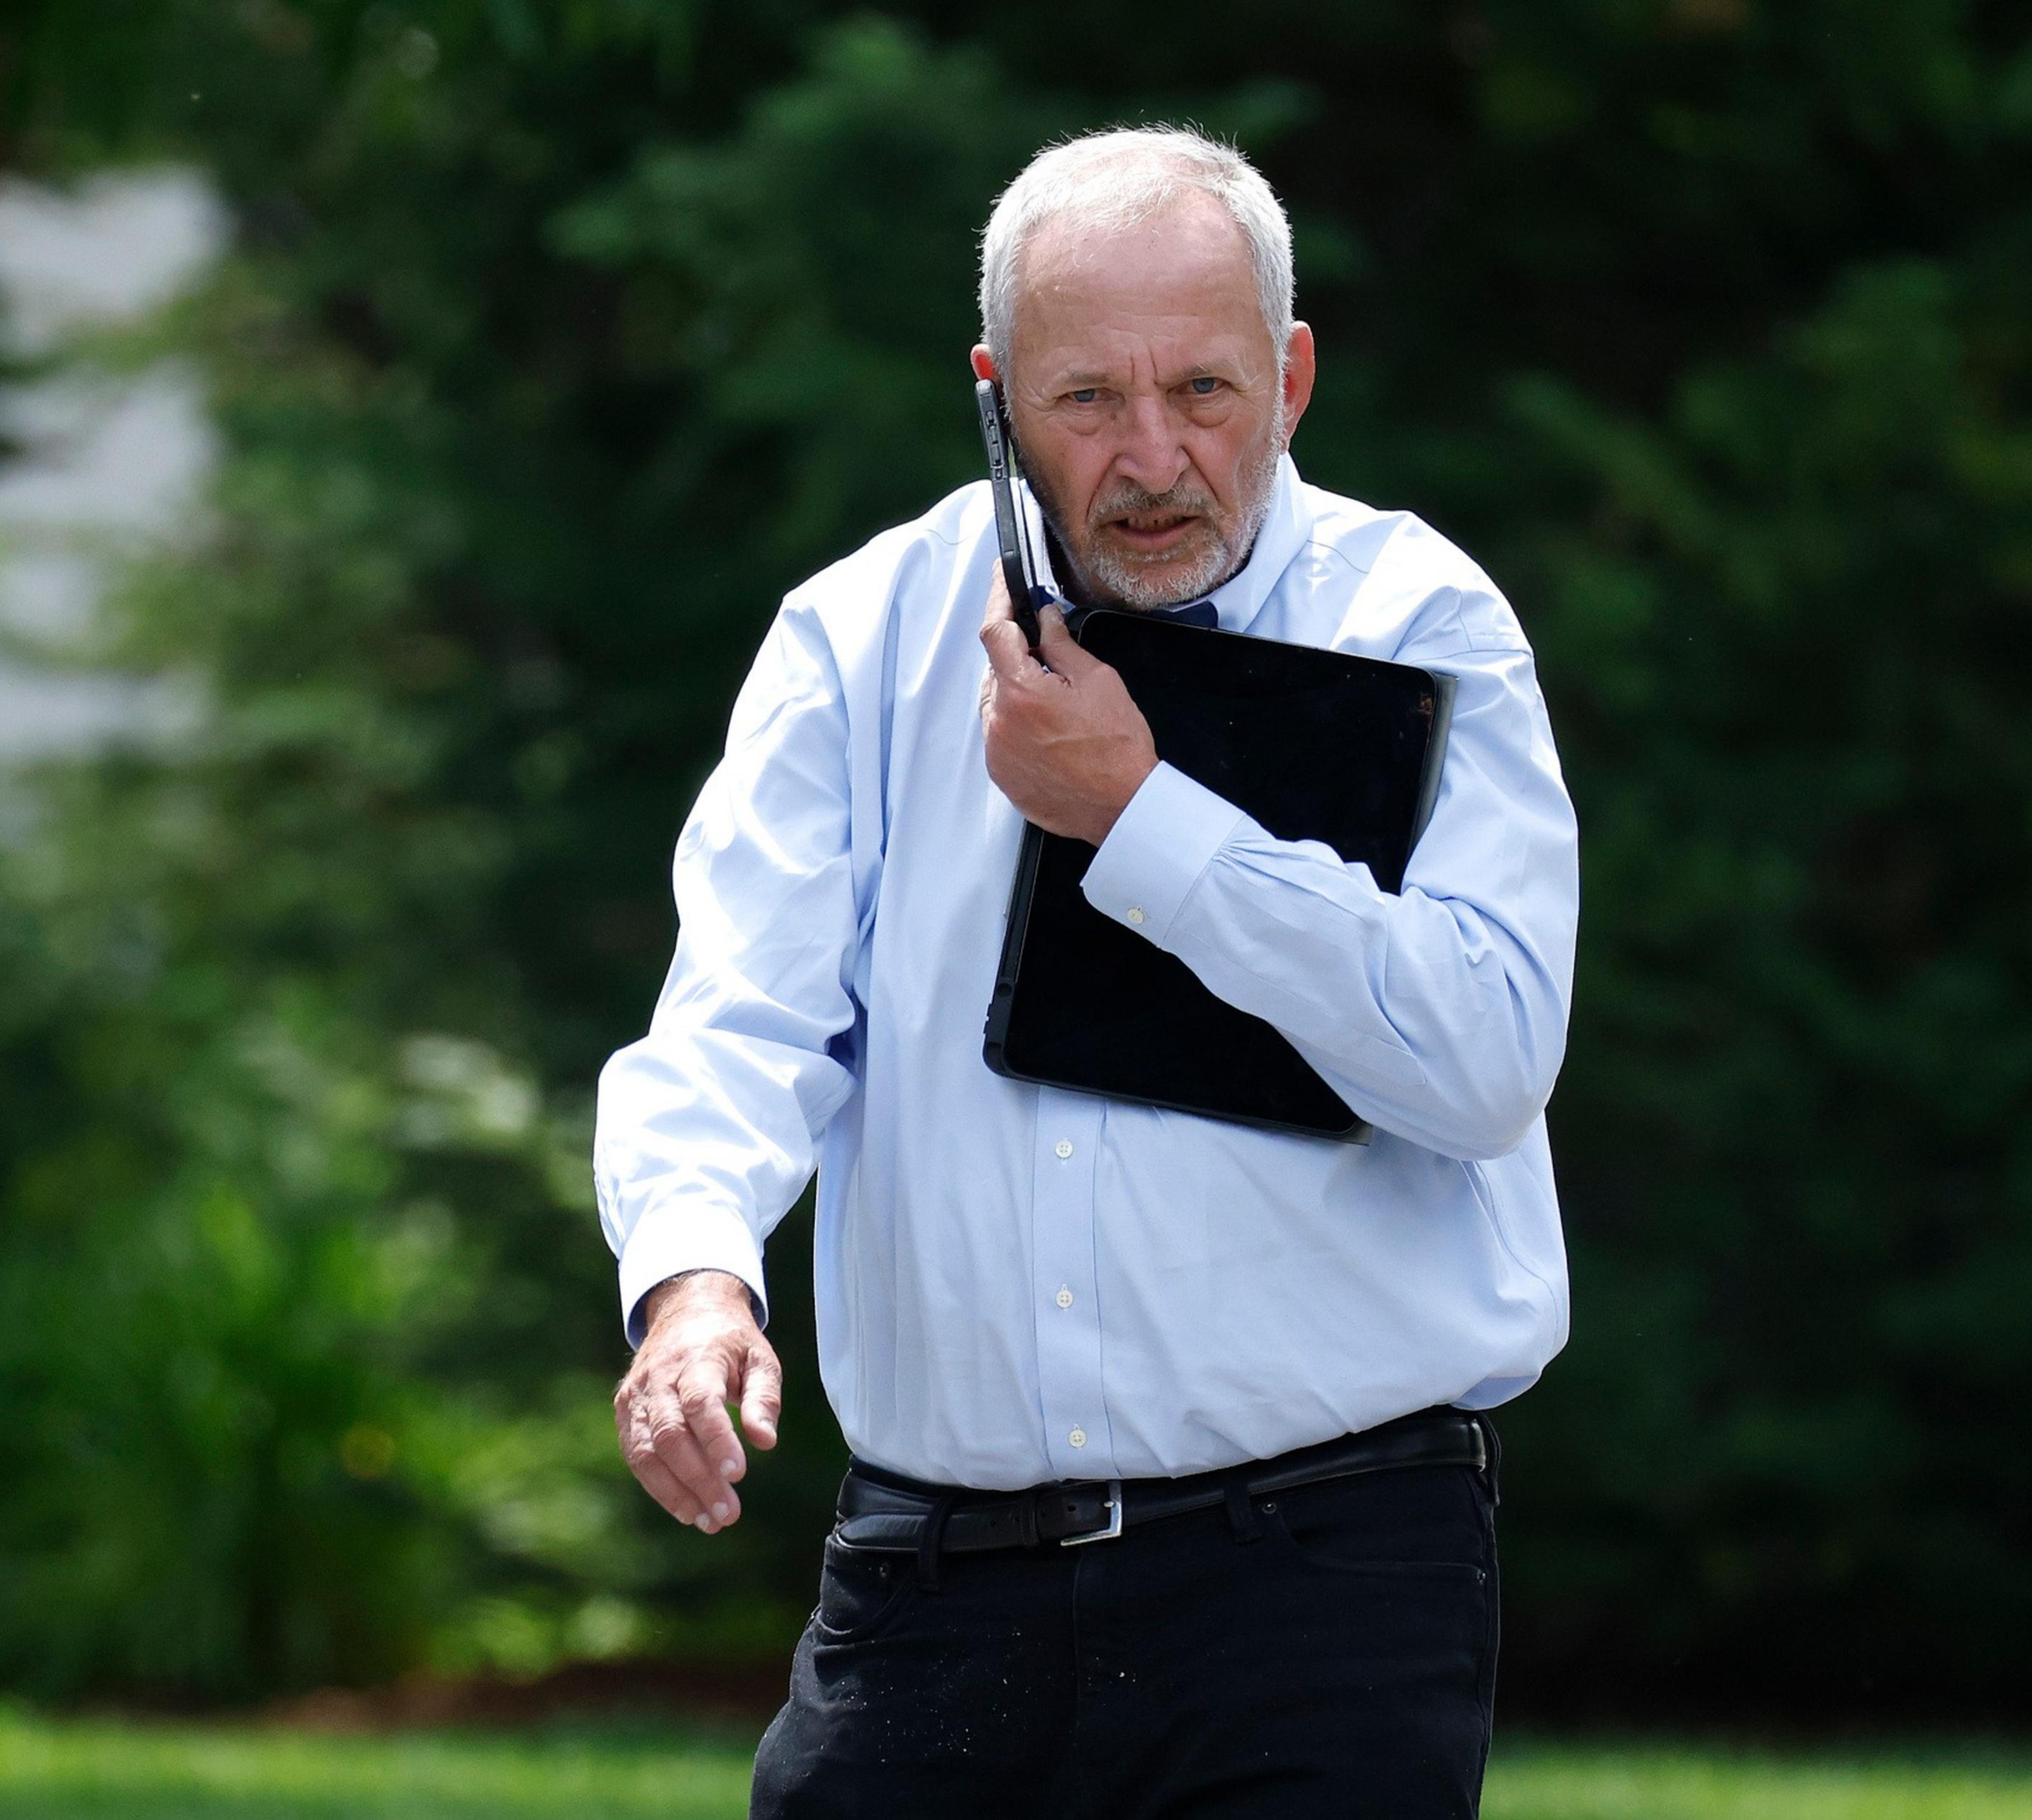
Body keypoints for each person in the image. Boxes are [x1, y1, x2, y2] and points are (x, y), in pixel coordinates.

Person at [592, 125, 1578, 1817]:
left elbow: (1486, 1059)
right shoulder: (859, 634)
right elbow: (738, 1025)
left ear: (1294, 375)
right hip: (928, 1582)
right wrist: (689, 1281)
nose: (1150, 459)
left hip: (1326, 1575)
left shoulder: (1418, 621)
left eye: (1202, 393)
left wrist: (1140, 818)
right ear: (990, 391)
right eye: (1083, 403)